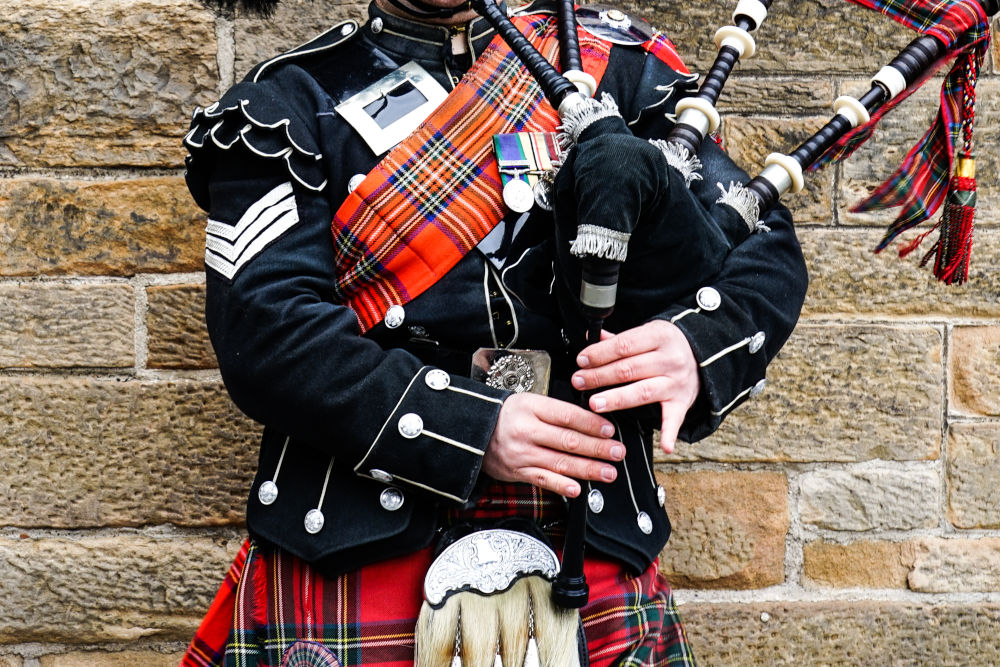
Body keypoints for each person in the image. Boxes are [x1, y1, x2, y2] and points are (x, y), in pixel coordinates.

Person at [180, 0, 808, 664]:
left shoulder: (622, 75)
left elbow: (760, 251)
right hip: (358, 547)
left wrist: (691, 345)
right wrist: (469, 428)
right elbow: (269, 329)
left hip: (585, 540)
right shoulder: (288, 100)